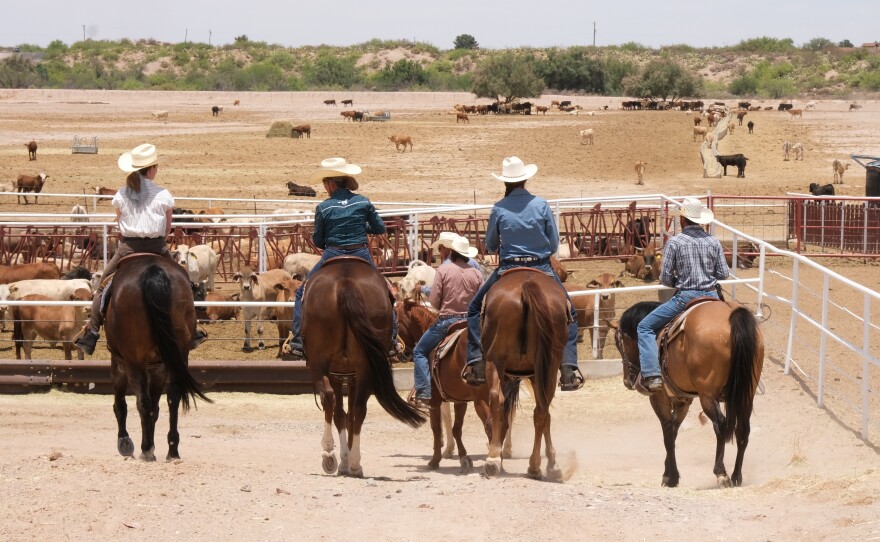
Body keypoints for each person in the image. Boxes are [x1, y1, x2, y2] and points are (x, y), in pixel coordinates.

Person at [461, 156, 584, 391]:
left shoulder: (498, 208)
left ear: (505, 183)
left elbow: (490, 244)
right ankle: (569, 368)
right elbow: (553, 243)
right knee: (570, 313)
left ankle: (476, 362)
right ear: (525, 180)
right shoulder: (541, 205)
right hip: (541, 267)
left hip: (508, 267)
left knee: (475, 309)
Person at [74, 143, 206, 355]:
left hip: (128, 248)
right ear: (152, 169)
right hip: (158, 247)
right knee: (184, 282)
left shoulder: (121, 193)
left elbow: (119, 223)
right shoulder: (163, 194)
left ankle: (92, 332)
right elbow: (167, 227)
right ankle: (193, 328)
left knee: (102, 286)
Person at [286, 157, 397, 360]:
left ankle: (298, 342)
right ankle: (392, 341)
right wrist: (362, 227)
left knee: (302, 292)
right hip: (360, 252)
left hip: (333, 253)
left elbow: (319, 240)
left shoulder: (324, 208)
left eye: (324, 183)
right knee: (386, 289)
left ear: (330, 183)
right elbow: (380, 228)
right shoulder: (363, 201)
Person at [637, 197, 730, 392]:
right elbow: (723, 274)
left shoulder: (675, 242)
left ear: (683, 220)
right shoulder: (713, 241)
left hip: (686, 297)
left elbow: (665, 278)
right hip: (712, 296)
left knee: (644, 327)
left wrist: (677, 281)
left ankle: (652, 374)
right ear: (701, 220)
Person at [411, 235, 482, 404]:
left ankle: (424, 392)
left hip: (448, 321)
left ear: (452, 252)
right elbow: (481, 301)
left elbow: (435, 301)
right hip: (472, 323)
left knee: (419, 351)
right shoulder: (476, 273)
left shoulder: (443, 270)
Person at [419, 231, 482, 298]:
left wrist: (421, 288)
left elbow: (435, 292)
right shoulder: (475, 263)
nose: (439, 252)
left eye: (439, 248)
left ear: (445, 248)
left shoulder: (444, 267)